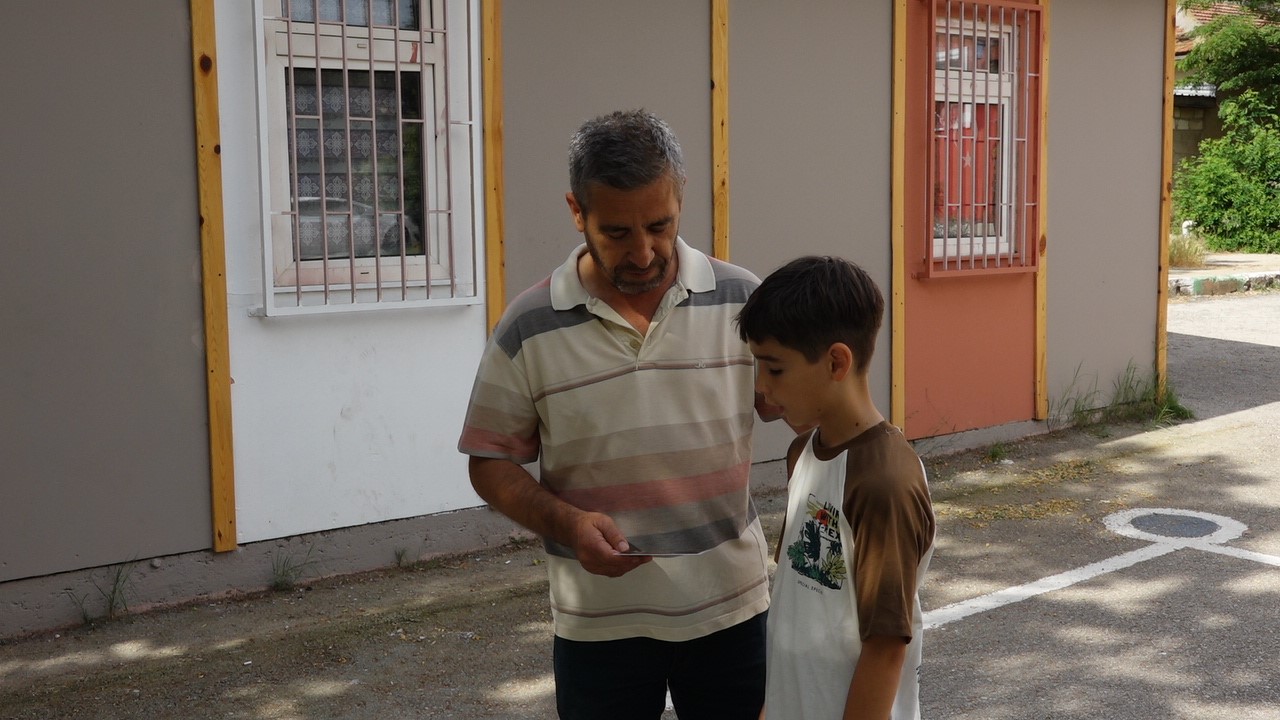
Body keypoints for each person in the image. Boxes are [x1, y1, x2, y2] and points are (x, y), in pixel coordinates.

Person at [457, 109, 780, 720]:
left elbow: (804, 409)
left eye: (659, 226)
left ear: (681, 197)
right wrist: (567, 525)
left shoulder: (744, 302)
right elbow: (490, 462)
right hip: (597, 627)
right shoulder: (529, 325)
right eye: (616, 233)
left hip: (729, 611)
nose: (643, 252)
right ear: (577, 212)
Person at [736, 256, 935, 720]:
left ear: (836, 362)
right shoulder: (802, 452)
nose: (761, 389)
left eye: (775, 369)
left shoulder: (884, 483)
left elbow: (885, 649)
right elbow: (799, 602)